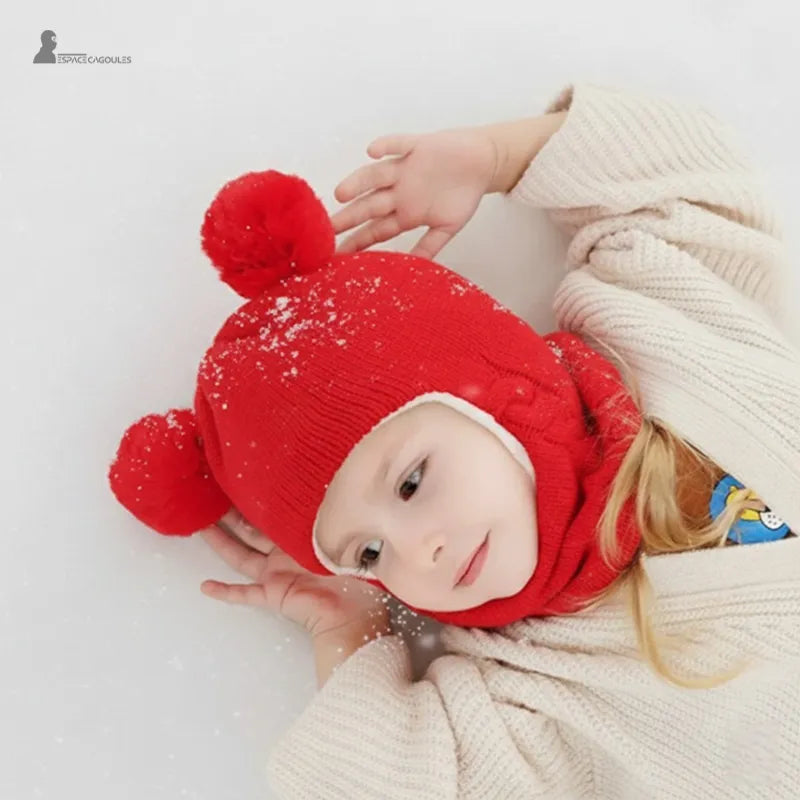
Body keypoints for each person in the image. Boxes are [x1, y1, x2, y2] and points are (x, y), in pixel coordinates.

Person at [108, 81, 800, 799]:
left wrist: (498, 156)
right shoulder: (529, 684)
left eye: (411, 481)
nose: (420, 551)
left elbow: (687, 179)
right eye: (369, 554)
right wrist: (347, 629)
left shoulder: (660, 333)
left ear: (495, 392)